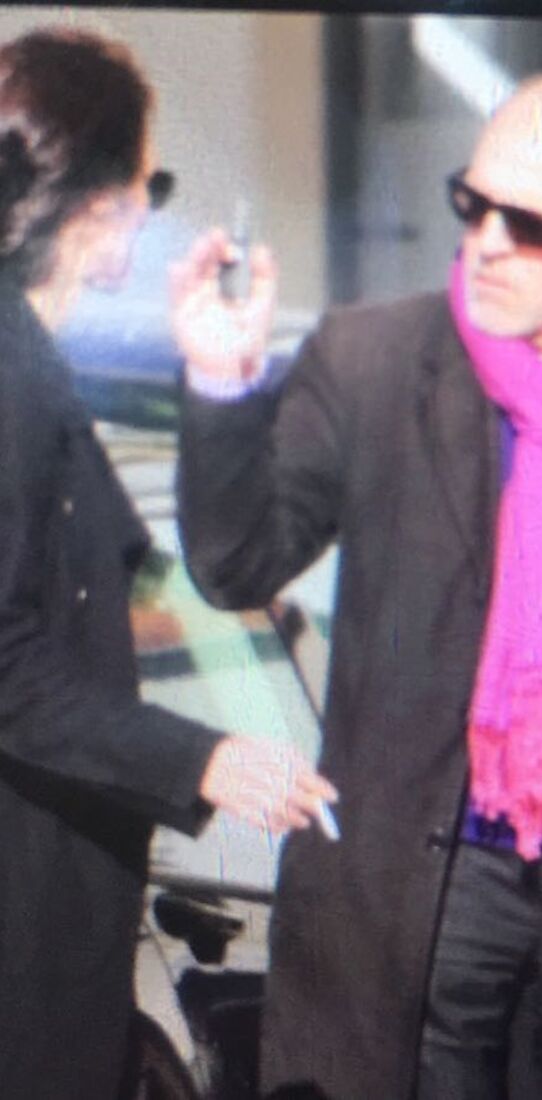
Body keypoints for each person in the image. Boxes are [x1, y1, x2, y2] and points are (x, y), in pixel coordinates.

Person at [171, 72, 542, 1100]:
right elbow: (236, 565)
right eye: (475, 203)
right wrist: (223, 386)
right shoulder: (373, 359)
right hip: (422, 882)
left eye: (531, 222)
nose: (490, 240)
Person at [0, 27, 338, 1099]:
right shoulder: (13, 385)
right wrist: (203, 756)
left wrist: (216, 370)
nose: (151, 210)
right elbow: (7, 662)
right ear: (103, 203)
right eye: (149, 182)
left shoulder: (32, 369)